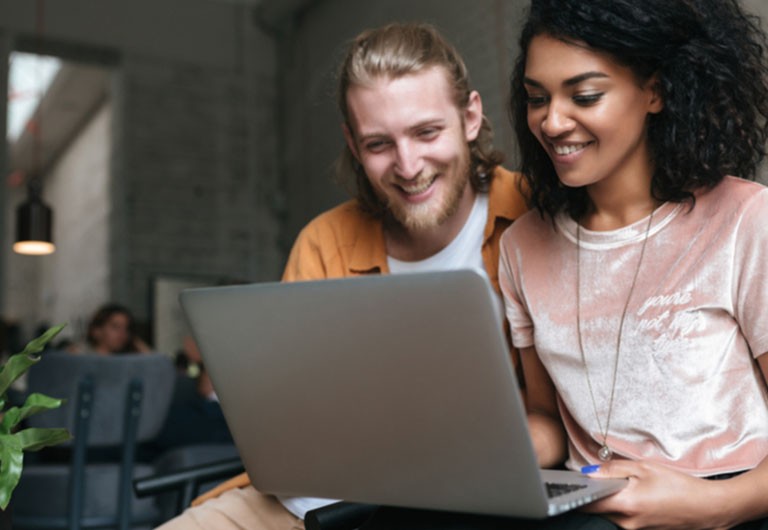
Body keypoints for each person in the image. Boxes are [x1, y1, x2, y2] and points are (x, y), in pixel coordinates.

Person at [156, 21, 528, 530]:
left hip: (469, 500)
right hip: (311, 499)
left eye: (426, 132)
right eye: (379, 144)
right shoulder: (323, 242)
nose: (408, 165)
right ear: (353, 145)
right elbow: (282, 419)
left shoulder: (533, 215)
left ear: (469, 117)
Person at [499, 0, 768, 528]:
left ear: (656, 91)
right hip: (594, 504)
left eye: (585, 95)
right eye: (536, 98)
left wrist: (712, 507)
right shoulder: (522, 246)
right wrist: (483, 453)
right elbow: (546, 419)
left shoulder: (745, 220)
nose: (552, 122)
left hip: (733, 505)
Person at [70, 303, 151, 355]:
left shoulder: (126, 358)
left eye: (127, 328)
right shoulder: (80, 354)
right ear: (97, 331)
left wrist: (136, 342)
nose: (122, 333)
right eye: (115, 327)